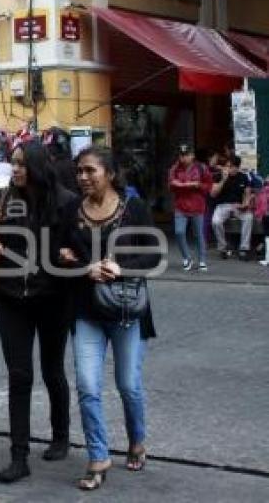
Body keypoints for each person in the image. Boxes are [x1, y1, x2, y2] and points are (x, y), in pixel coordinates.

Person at [60, 146, 162, 491]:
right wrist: (80, 266)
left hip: (125, 311)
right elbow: (56, 257)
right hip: (86, 311)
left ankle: (137, 440)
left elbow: (156, 257)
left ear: (111, 174)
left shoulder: (134, 209)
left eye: (90, 171)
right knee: (88, 386)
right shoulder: (71, 210)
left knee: (128, 385)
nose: (83, 177)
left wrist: (121, 269)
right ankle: (98, 456)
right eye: (79, 172)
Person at [0, 140, 75, 483]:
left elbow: (78, 245)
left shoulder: (65, 202)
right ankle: (19, 455)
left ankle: (60, 435)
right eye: (12, 163)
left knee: (52, 371)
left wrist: (69, 255)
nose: (15, 169)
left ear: (36, 165)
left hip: (53, 300)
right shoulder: (2, 199)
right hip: (12, 299)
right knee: (19, 377)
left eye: (21, 164)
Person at [168, 144, 212, 271]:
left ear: (192, 156)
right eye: (182, 155)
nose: (184, 158)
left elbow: (208, 185)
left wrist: (198, 185)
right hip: (180, 205)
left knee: (198, 234)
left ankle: (202, 260)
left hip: (197, 206)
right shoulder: (174, 168)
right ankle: (187, 257)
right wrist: (180, 185)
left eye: (186, 155)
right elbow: (170, 185)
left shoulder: (201, 168)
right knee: (179, 232)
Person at [210, 155, 254, 260]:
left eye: (231, 167)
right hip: (223, 205)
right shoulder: (219, 176)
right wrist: (223, 180)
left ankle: (244, 249)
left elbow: (247, 194)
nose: (229, 169)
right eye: (227, 166)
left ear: (237, 168)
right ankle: (222, 248)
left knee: (248, 218)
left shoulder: (243, 177)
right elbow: (213, 194)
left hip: (237, 206)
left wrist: (244, 204)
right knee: (216, 221)